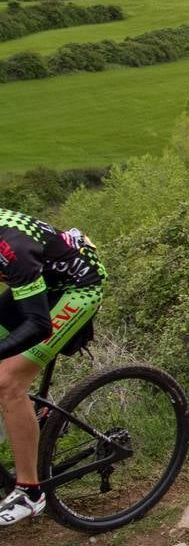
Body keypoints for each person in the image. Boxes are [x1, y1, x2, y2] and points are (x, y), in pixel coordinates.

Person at [0, 211, 106, 525]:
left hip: (78, 287)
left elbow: (38, 325)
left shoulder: (10, 248)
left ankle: (31, 492)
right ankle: (31, 414)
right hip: (40, 279)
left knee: (7, 382)